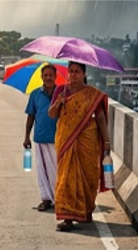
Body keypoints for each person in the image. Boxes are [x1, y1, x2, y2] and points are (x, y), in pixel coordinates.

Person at [48, 62, 110, 232]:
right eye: (71, 71)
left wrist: (106, 141)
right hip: (66, 139)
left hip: (87, 139)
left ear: (84, 74)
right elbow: (52, 114)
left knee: (89, 176)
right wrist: (58, 103)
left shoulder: (91, 94)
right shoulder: (60, 90)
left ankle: (85, 211)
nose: (73, 74)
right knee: (66, 178)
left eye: (77, 71)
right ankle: (67, 217)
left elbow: (100, 117)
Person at [24, 63, 59, 212]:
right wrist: (26, 137)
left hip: (59, 138)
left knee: (58, 171)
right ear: (42, 77)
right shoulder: (35, 94)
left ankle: (60, 198)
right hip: (41, 137)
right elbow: (30, 116)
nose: (49, 78)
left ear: (55, 76)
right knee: (43, 171)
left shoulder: (62, 94)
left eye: (51, 75)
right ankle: (46, 199)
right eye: (46, 75)